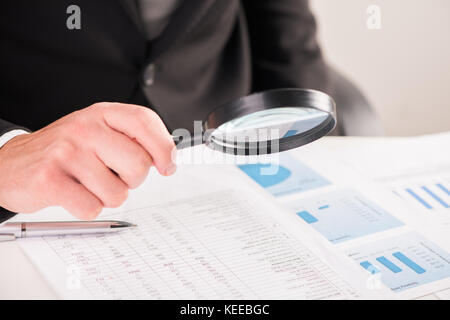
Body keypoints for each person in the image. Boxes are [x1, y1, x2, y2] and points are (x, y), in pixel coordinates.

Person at [0, 0, 340, 223]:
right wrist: (7, 153)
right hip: (40, 186)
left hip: (222, 162)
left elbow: (285, 37)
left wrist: (315, 159)